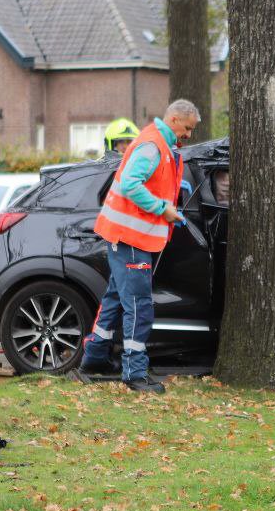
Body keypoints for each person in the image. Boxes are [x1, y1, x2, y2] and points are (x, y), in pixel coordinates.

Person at [79, 99, 200, 392]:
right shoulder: (152, 145)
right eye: (187, 128)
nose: (189, 135)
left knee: (116, 299)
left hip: (127, 236)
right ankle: (134, 373)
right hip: (131, 237)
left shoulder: (157, 144)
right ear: (174, 119)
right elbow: (132, 185)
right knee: (138, 304)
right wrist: (163, 208)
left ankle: (95, 359)